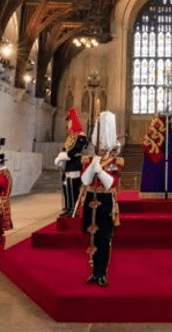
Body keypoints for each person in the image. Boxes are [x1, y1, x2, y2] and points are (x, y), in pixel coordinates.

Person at [81, 111, 123, 286]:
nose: (102, 149)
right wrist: (93, 165)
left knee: (104, 239)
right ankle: (93, 272)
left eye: (104, 146)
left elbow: (111, 183)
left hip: (105, 202)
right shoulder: (90, 160)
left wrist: (100, 170)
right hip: (91, 200)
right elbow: (85, 180)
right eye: (99, 146)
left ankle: (102, 272)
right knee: (92, 237)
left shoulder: (114, 162)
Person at [54, 108, 88, 216]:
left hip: (75, 165)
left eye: (69, 122)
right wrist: (61, 157)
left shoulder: (81, 136)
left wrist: (66, 155)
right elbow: (65, 149)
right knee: (66, 188)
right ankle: (67, 208)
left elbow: (77, 148)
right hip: (67, 167)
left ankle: (74, 208)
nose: (68, 125)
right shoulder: (69, 137)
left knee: (73, 188)